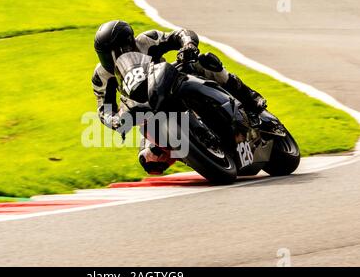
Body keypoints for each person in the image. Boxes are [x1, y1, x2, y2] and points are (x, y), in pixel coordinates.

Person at [92, 20, 267, 175]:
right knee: (150, 162)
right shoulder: (101, 76)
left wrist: (188, 45)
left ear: (130, 42)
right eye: (107, 54)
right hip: (145, 109)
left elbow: (179, 35)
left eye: (119, 50)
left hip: (169, 80)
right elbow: (103, 109)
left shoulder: (146, 40)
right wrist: (115, 120)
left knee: (205, 62)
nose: (114, 57)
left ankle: (249, 97)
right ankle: (195, 154)